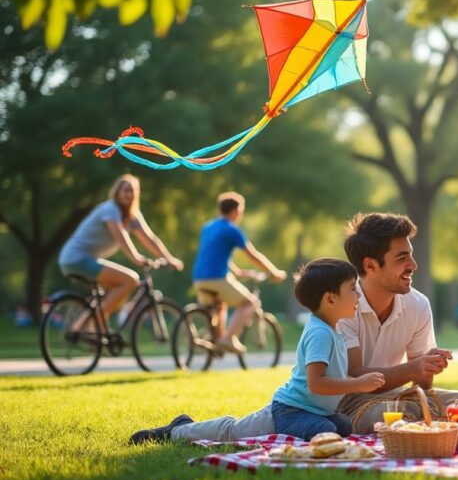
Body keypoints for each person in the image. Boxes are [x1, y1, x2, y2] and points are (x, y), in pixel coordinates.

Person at [130, 258, 386, 444]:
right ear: (330, 299)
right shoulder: (320, 333)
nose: (358, 297)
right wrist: (357, 384)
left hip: (315, 411)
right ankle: (177, 431)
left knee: (342, 426)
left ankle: (184, 426)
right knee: (234, 432)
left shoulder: (334, 329)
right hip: (291, 410)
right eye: (353, 289)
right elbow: (316, 383)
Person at [336, 213, 458, 433]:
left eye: (410, 256)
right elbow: (355, 373)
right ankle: (412, 429)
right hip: (348, 402)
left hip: (397, 396)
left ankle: (415, 429)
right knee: (397, 414)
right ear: (371, 265)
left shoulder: (417, 304)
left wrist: (427, 368)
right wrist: (414, 368)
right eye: (402, 258)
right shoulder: (343, 306)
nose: (413, 265)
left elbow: (423, 388)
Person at [58, 175, 184, 322]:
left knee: (118, 293)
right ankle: (87, 323)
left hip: (85, 259)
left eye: (132, 191)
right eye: (125, 190)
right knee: (131, 280)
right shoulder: (110, 209)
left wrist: (169, 259)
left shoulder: (132, 215)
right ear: (117, 192)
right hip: (77, 259)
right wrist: (136, 258)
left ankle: (94, 329)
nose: (129, 194)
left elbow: (150, 239)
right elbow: (120, 236)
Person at [192, 192, 287, 354]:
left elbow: (214, 254)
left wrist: (236, 271)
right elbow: (253, 255)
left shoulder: (208, 227)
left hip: (199, 279)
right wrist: (274, 272)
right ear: (236, 211)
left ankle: (216, 341)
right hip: (217, 278)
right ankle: (228, 339)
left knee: (220, 306)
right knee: (250, 303)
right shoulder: (232, 229)